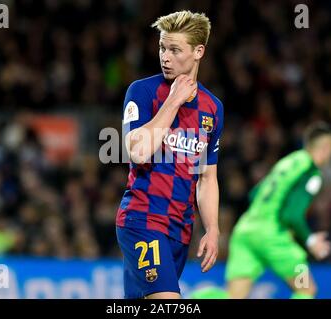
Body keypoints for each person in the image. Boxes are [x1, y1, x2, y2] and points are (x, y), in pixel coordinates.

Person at [115, 10, 224, 299]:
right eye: (163, 47)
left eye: (175, 50)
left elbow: (207, 176)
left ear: (198, 51)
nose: (165, 56)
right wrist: (173, 101)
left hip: (180, 231)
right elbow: (137, 152)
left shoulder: (212, 108)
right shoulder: (142, 92)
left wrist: (212, 229)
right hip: (142, 221)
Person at [191, 122, 331, 299]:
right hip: (273, 237)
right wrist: (310, 240)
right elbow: (293, 215)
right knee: (306, 290)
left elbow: (254, 194)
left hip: (245, 233)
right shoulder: (311, 173)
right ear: (326, 147)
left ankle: (193, 300)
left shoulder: (287, 162)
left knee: (233, 296)